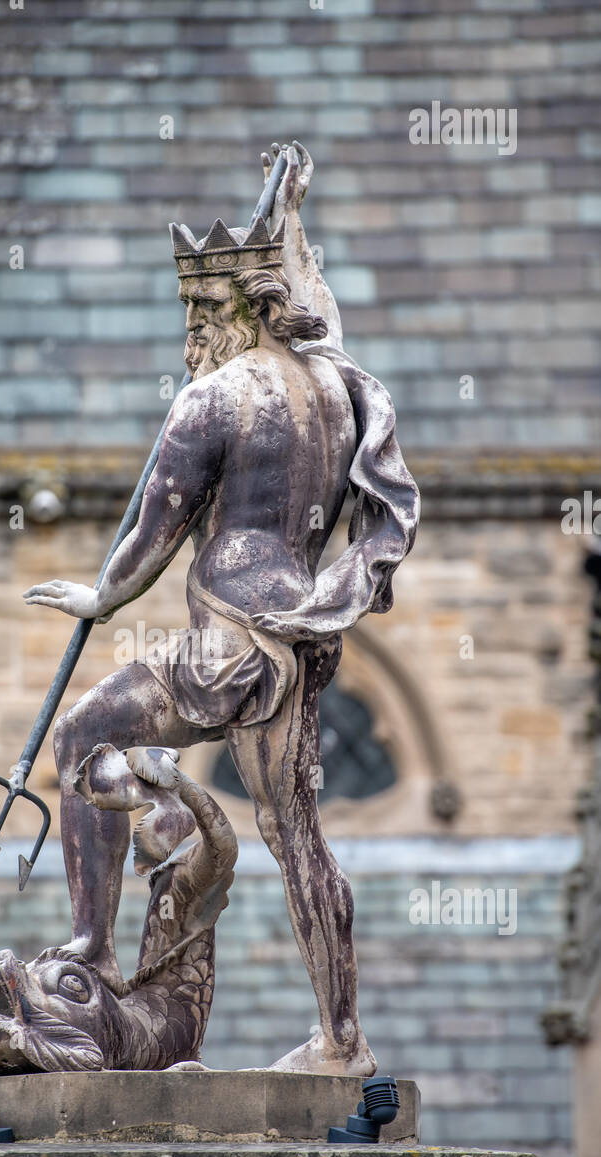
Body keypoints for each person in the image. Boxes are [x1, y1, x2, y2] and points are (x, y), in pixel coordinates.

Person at [24, 142, 420, 1075]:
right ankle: (341, 1040)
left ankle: (99, 936)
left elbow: (150, 538)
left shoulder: (213, 395)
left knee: (82, 734)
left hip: (222, 643)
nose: (192, 327)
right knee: (299, 839)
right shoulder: (338, 386)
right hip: (292, 636)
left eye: (201, 308)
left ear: (237, 302)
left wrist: (101, 594)